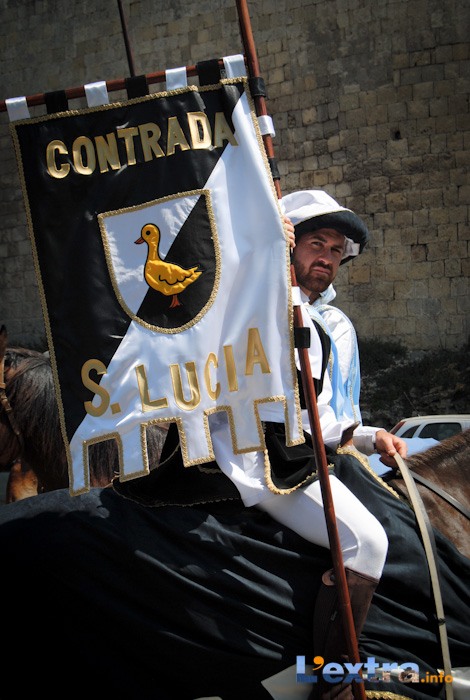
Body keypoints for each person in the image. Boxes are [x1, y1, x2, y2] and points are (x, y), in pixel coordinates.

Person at [283, 188, 407, 469]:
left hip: (333, 459)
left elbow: (330, 418)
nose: (326, 258)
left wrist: (372, 438)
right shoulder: (267, 311)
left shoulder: (333, 322)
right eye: (316, 244)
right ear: (290, 246)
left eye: (335, 250)